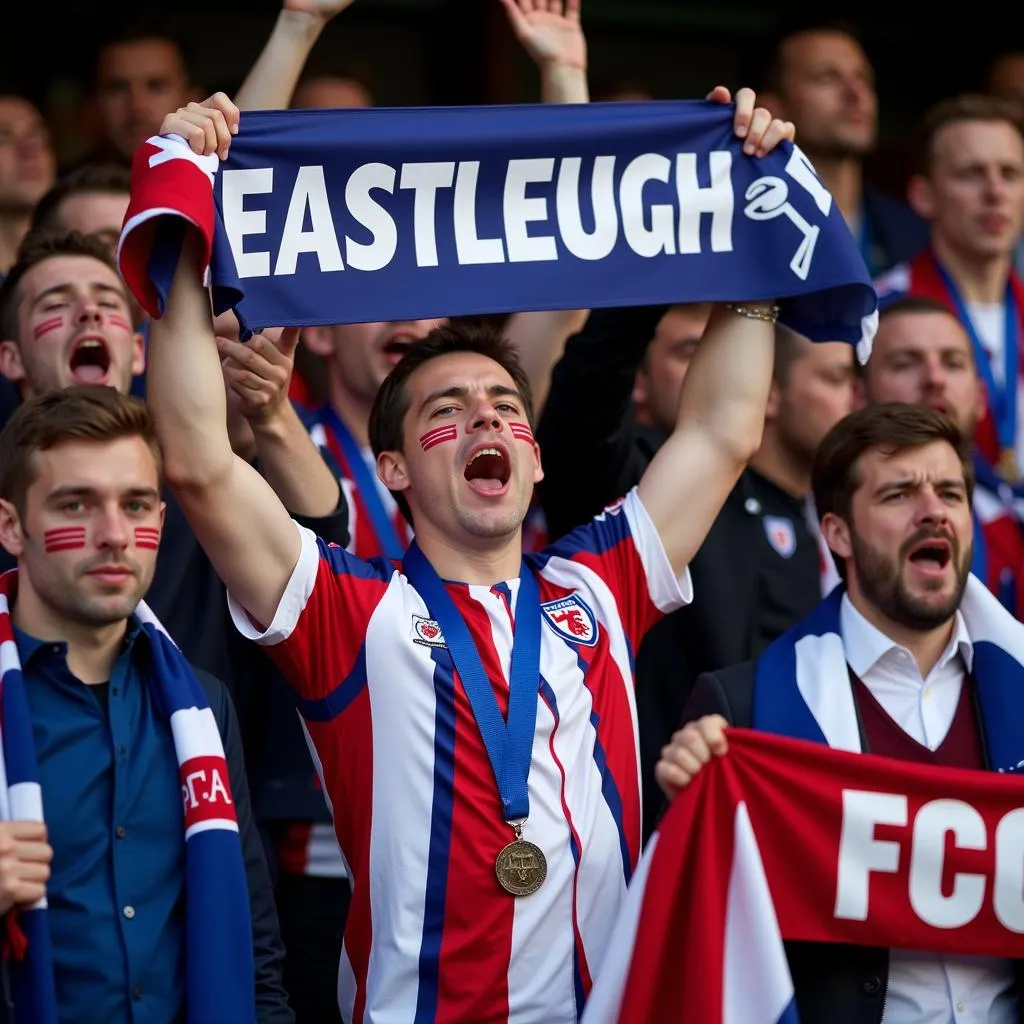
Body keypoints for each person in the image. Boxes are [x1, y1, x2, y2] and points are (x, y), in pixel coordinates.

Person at [132, 80, 794, 1020]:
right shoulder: (347, 611)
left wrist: (751, 218)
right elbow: (198, 460)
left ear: (529, 461)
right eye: (449, 411)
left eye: (505, 409)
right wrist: (180, 214)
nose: (486, 416)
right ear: (392, 469)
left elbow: (725, 430)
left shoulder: (597, 582)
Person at [661, 402, 1024, 1024]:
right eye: (899, 493)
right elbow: (703, 937)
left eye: (949, 492)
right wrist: (686, 799)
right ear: (837, 533)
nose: (933, 509)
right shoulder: (744, 709)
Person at [0, 385, 292, 1023]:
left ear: (160, 522)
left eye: (135, 505)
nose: (113, 535)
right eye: (75, 503)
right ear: (11, 527)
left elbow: (257, 952)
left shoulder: (204, 704)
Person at [539, 302, 852, 835]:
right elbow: (583, 405)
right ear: (640, 379)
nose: (714, 361)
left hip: (768, 823)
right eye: (689, 350)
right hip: (641, 823)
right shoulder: (620, 478)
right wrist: (647, 280)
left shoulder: (784, 511)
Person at [875, 94, 1024, 484]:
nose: (995, 192)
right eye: (971, 174)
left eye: (1010, 174)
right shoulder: (875, 310)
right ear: (923, 195)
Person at [855, 293, 1024, 616]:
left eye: (952, 363)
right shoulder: (818, 513)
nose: (935, 379)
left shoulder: (1011, 522)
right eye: (905, 363)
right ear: (858, 394)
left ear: (981, 397)